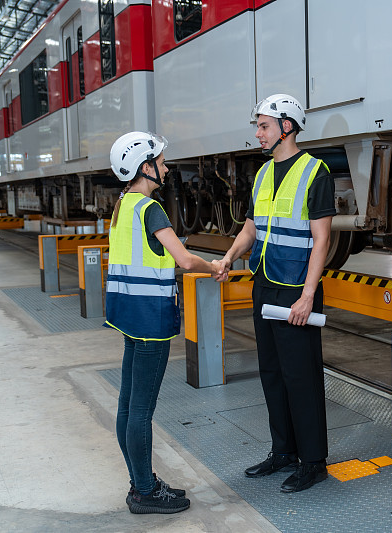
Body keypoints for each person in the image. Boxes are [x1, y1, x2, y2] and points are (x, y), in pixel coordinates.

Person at [213, 94, 336, 493]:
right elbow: (251, 227)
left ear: (287, 126)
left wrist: (308, 295)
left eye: (263, 126)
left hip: (296, 288)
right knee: (272, 371)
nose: (258, 133)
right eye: (258, 126)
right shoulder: (264, 173)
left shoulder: (315, 172)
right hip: (265, 283)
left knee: (301, 375)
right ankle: (283, 451)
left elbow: (322, 240)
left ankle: (313, 461)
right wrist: (229, 256)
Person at [106, 131, 218, 514]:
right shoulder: (150, 209)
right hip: (150, 320)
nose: (167, 169)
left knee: (127, 405)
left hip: (128, 316)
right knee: (141, 411)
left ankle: (140, 482)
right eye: (162, 162)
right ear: (145, 167)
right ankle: (145, 491)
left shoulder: (123, 205)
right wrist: (214, 267)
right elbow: (184, 260)